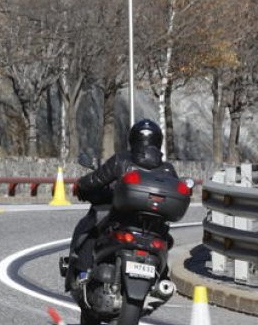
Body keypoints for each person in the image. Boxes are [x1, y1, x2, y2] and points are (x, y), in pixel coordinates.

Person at [63, 118, 177, 287]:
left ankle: (82, 272)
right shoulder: (167, 170)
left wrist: (80, 186)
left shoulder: (121, 160)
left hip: (121, 219)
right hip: (151, 227)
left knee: (90, 229)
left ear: (132, 139)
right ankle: (162, 278)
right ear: (158, 141)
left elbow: (95, 180)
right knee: (165, 238)